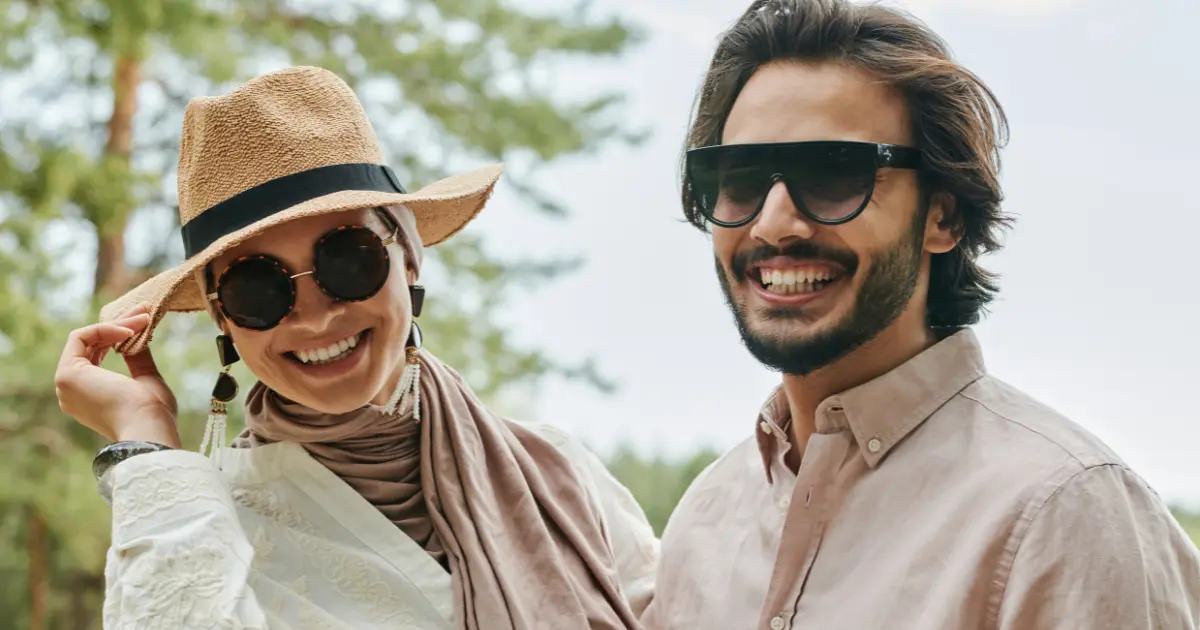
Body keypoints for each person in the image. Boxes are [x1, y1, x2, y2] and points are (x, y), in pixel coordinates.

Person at [640, 1, 1200, 629]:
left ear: (943, 216)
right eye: (738, 177)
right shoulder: (703, 526)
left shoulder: (1062, 514)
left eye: (833, 174)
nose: (774, 223)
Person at [53, 66, 657, 630]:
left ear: (408, 259)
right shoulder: (202, 525)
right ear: (224, 319)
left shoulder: (559, 474)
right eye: (257, 288)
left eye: (347, 258)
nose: (316, 315)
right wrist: (147, 441)